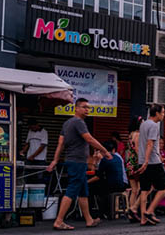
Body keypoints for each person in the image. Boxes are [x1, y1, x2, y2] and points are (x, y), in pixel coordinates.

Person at [47, 98, 112, 230]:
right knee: (72, 190)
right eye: (84, 107)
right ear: (76, 108)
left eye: (88, 107)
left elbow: (61, 143)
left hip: (74, 161)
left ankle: (89, 220)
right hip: (77, 161)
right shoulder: (78, 122)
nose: (87, 110)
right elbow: (89, 139)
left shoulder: (67, 123)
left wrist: (55, 159)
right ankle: (59, 221)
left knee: (83, 191)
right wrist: (105, 151)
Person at [136, 104, 165, 226]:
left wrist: (142, 160)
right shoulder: (154, 126)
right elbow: (150, 144)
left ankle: (143, 218)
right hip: (153, 161)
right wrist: (147, 161)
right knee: (163, 187)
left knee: (144, 190)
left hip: (142, 160)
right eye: (163, 113)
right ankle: (149, 211)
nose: (164, 115)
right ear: (157, 113)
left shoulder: (143, 124)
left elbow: (139, 143)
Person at [89, 141, 128, 218]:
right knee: (99, 186)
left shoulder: (105, 160)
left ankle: (99, 213)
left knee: (92, 189)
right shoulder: (117, 157)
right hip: (121, 184)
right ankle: (104, 211)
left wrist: (87, 182)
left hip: (113, 185)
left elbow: (98, 176)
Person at [125, 116, 142, 223]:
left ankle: (132, 214)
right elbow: (137, 149)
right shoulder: (137, 134)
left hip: (129, 164)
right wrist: (143, 161)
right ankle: (133, 209)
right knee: (141, 188)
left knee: (134, 190)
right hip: (136, 164)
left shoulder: (130, 135)